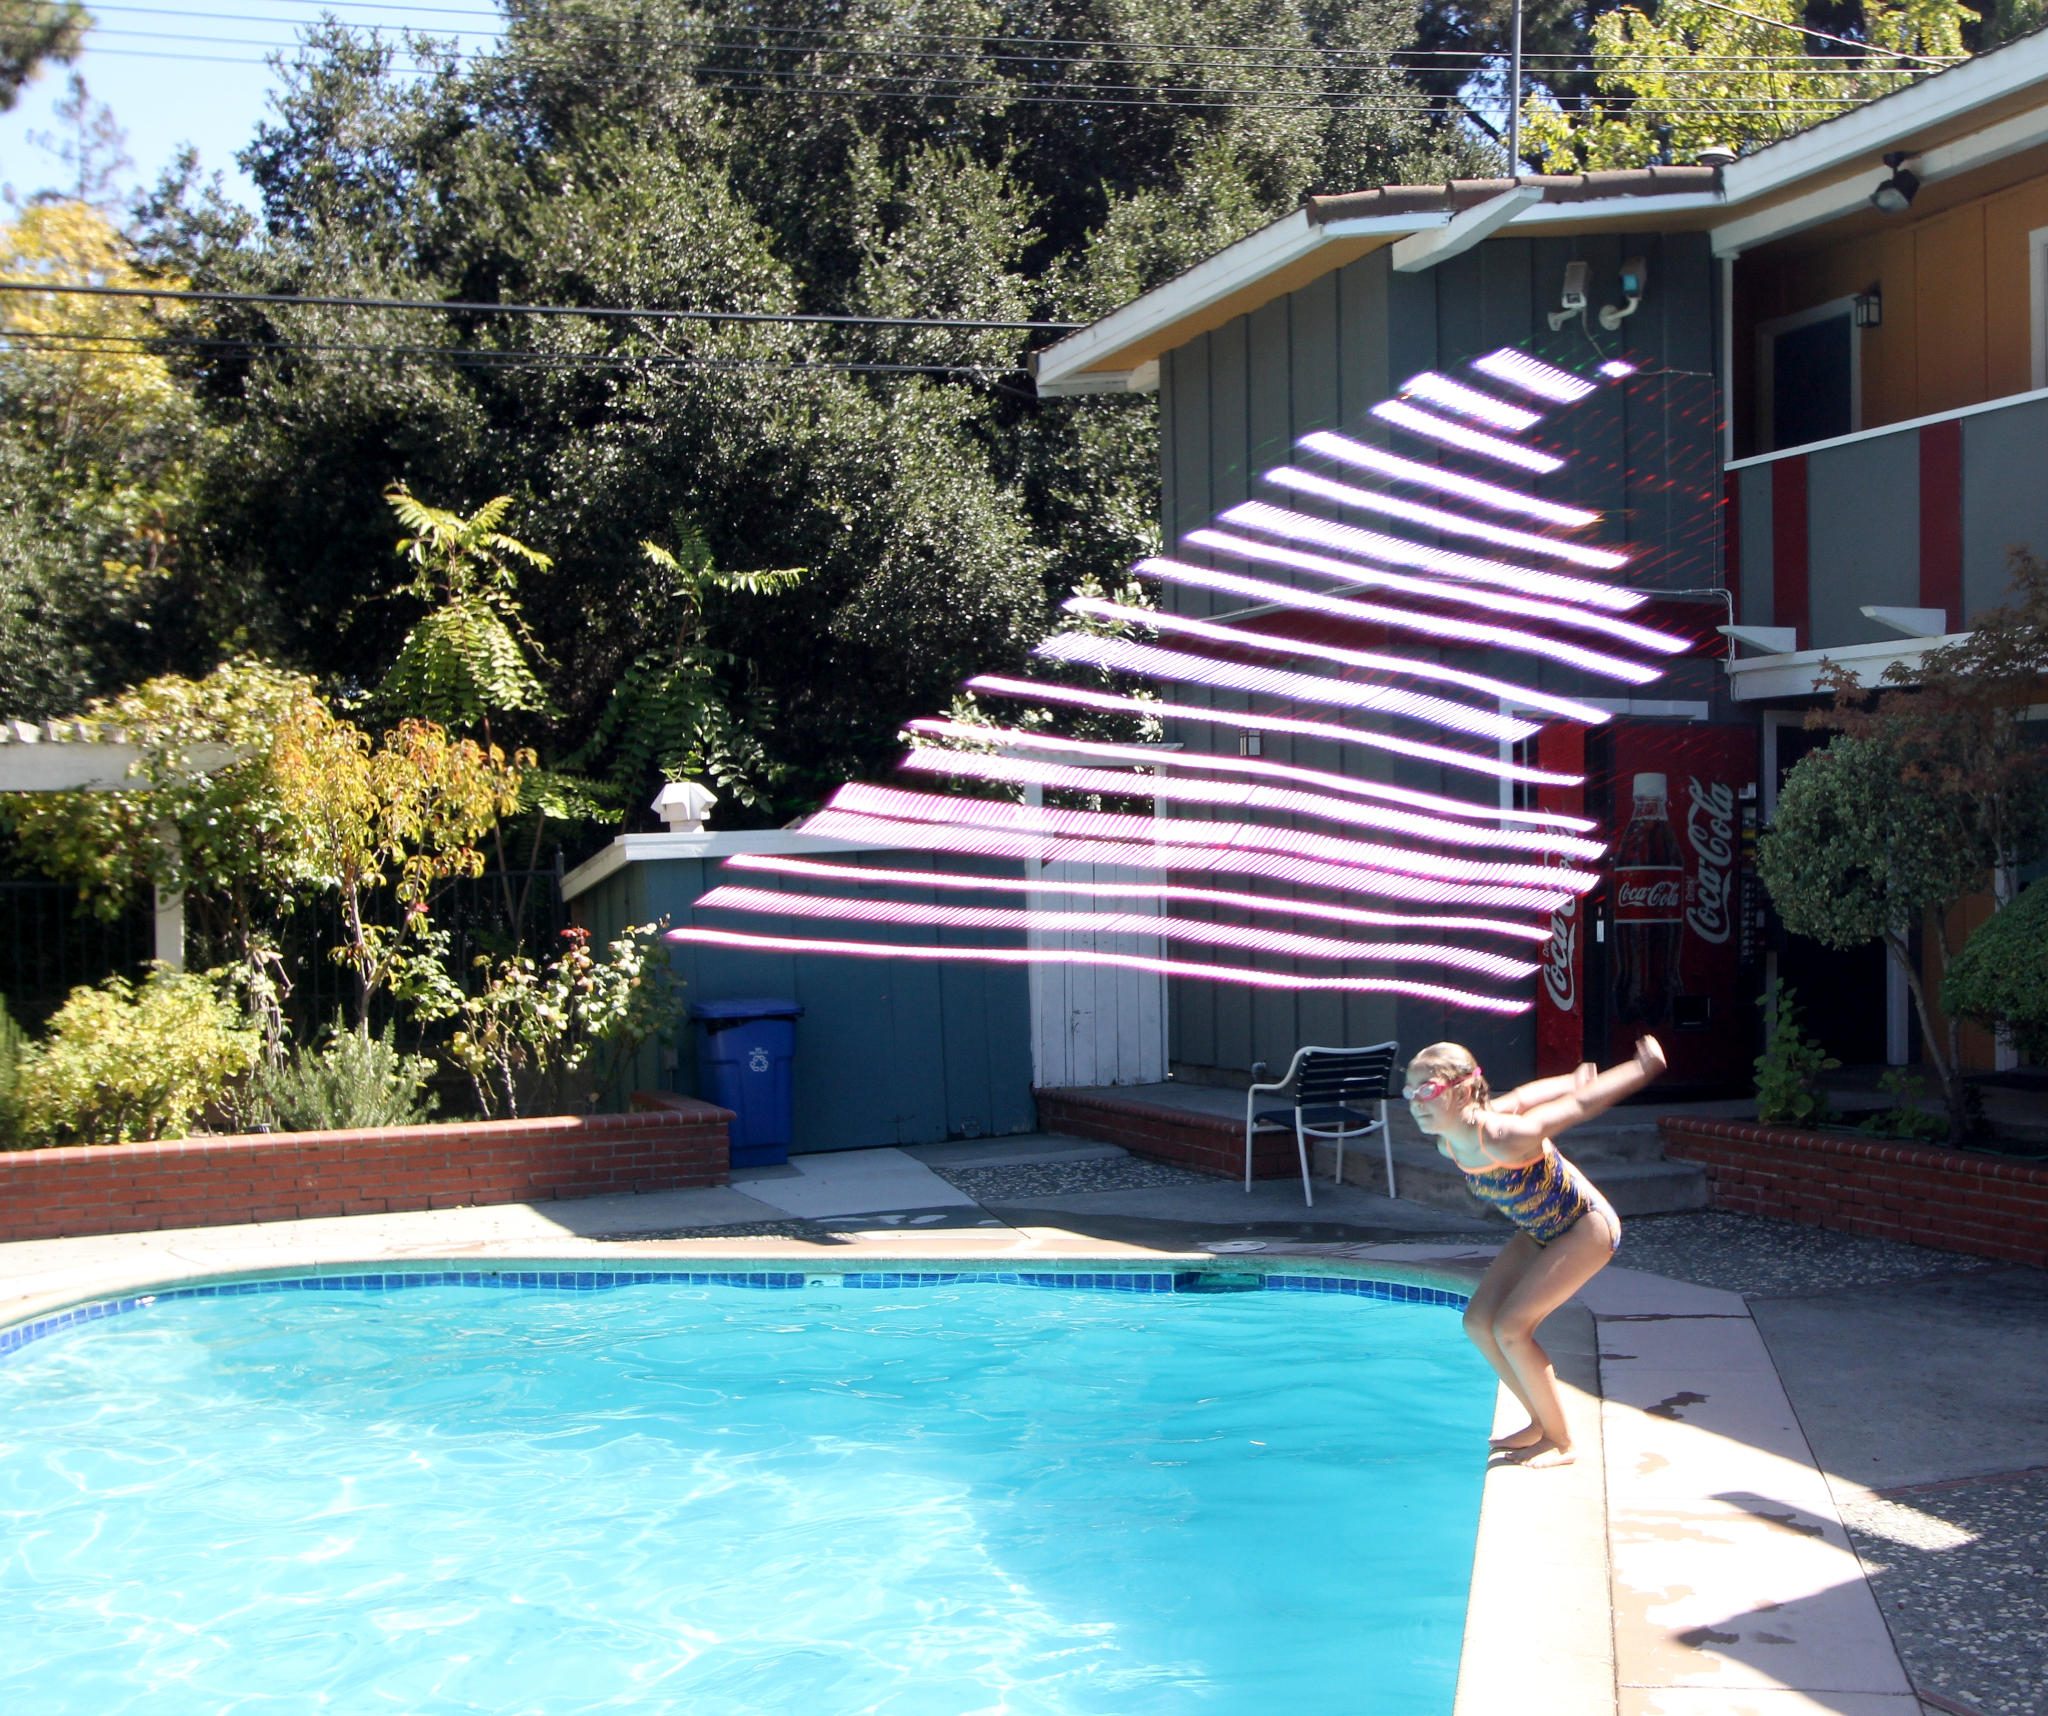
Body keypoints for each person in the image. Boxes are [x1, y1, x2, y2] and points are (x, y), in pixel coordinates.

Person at [1403, 1036, 1668, 1469]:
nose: (1416, 1101)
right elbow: (1524, 1096)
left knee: (1511, 1328)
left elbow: (1580, 1107)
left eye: (1428, 1089)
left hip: (1585, 1227)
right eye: (1410, 1091)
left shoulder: (1504, 1137)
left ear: (1464, 1092)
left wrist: (1640, 1068)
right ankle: (1538, 1421)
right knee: (1478, 1322)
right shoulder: (1448, 1141)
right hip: (1538, 1229)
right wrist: (1571, 1078)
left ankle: (1562, 1443)